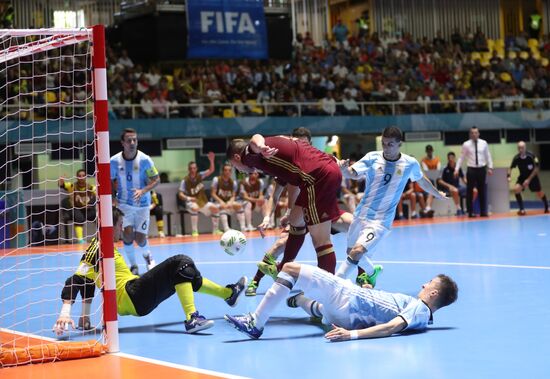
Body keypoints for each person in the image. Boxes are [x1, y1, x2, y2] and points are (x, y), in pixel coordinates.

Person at [53, 207, 247, 335]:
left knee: (186, 275)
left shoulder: (104, 246)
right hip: (132, 294)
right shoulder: (98, 246)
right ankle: (192, 318)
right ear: (110, 226)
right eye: (120, 225)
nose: (122, 228)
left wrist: (85, 317)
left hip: (134, 298)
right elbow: (77, 279)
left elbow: (89, 281)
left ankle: (229, 294)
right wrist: (65, 310)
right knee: (181, 262)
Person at [225, 262, 458, 340]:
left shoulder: (420, 309)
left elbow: (392, 326)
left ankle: (256, 323)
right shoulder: (420, 313)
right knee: (318, 308)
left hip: (347, 298)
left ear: (434, 294)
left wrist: (351, 336)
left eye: (429, 283)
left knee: (289, 268)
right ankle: (298, 300)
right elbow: (386, 311)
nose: (424, 285)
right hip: (348, 312)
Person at [335, 127, 448, 287]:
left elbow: (422, 181)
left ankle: (334, 282)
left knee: (357, 251)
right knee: (350, 252)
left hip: (380, 221)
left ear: (399, 144)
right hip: (361, 214)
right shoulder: (372, 157)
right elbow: (352, 173)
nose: (386, 148)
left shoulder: (409, 163)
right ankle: (373, 271)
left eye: (390, 144)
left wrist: (437, 194)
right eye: (383, 143)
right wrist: (342, 169)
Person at [227, 134, 342, 276]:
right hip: (323, 172)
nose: (238, 170)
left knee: (321, 240)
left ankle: (327, 289)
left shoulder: (248, 156)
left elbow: (255, 139)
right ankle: (283, 269)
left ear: (237, 158)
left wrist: (261, 147)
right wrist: (282, 214)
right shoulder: (277, 156)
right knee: (295, 220)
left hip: (317, 178)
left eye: (234, 165)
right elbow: (287, 187)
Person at [110, 128, 159, 275]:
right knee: (127, 235)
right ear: (122, 143)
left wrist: (142, 191)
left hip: (143, 204)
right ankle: (133, 266)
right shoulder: (114, 161)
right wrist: (113, 198)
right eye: (129, 140)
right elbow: (110, 180)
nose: (132, 143)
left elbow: (156, 180)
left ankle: (148, 257)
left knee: (140, 238)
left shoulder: (145, 160)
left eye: (134, 140)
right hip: (124, 204)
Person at [178, 152, 220, 236]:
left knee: (215, 208)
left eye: (194, 168)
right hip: (191, 203)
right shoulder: (185, 180)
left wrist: (211, 160)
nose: (192, 170)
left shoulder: (200, 175)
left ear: (196, 169)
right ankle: (194, 231)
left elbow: (211, 170)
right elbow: (180, 194)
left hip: (202, 201)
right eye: (191, 168)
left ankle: (215, 230)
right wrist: (189, 198)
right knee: (194, 208)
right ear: (188, 169)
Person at [455, 126, 493, 217]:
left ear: (478, 133)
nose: (474, 134)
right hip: (471, 169)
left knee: (482, 190)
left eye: (476, 132)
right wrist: (456, 169)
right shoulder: (466, 144)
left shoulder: (484, 143)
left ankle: (483, 212)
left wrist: (490, 167)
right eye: (472, 133)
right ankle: (470, 212)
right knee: (470, 191)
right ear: (470, 134)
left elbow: (488, 155)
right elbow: (461, 157)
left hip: (481, 169)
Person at [508, 141, 549, 215]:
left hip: (532, 177)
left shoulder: (531, 156)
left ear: (525, 148)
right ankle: (522, 210)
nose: (521, 149)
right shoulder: (516, 158)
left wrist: (528, 180)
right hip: (522, 177)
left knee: (539, 193)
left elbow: (536, 169)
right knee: (516, 189)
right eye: (519, 148)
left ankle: (546, 207)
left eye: (522, 148)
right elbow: (510, 168)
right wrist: (508, 176)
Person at [59, 169, 97, 244]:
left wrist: (90, 204)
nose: (81, 177)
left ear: (86, 177)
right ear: (77, 177)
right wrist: (61, 182)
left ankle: (100, 236)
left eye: (83, 176)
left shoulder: (90, 187)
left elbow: (97, 194)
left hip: (88, 209)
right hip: (76, 209)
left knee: (98, 216)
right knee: (79, 217)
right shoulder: (72, 186)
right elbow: (63, 185)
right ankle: (80, 239)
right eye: (79, 176)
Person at [211, 163, 246, 231]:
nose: (228, 172)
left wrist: (231, 202)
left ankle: (243, 227)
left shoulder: (233, 182)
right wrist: (221, 201)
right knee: (222, 207)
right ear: (223, 171)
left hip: (228, 201)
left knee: (239, 206)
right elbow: (213, 194)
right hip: (217, 202)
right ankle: (226, 228)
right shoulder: (216, 180)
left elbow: (233, 196)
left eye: (229, 170)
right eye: (226, 170)